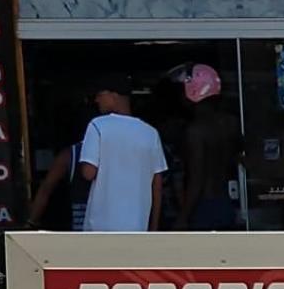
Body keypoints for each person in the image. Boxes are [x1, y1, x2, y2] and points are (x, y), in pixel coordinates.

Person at [79, 73, 168, 231]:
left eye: (99, 94)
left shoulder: (97, 126)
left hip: (101, 228)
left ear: (114, 95)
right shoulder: (150, 133)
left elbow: (88, 173)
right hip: (137, 227)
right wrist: (153, 229)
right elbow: (157, 186)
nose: (96, 100)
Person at [173, 64, 241, 231]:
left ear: (193, 91)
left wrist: (183, 217)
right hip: (225, 204)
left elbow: (197, 179)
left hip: (203, 208)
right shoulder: (231, 124)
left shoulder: (195, 131)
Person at [26, 127, 92, 232]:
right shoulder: (70, 155)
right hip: (111, 227)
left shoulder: (69, 155)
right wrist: (31, 222)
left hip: (84, 228)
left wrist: (31, 223)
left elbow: (46, 189)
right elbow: (46, 189)